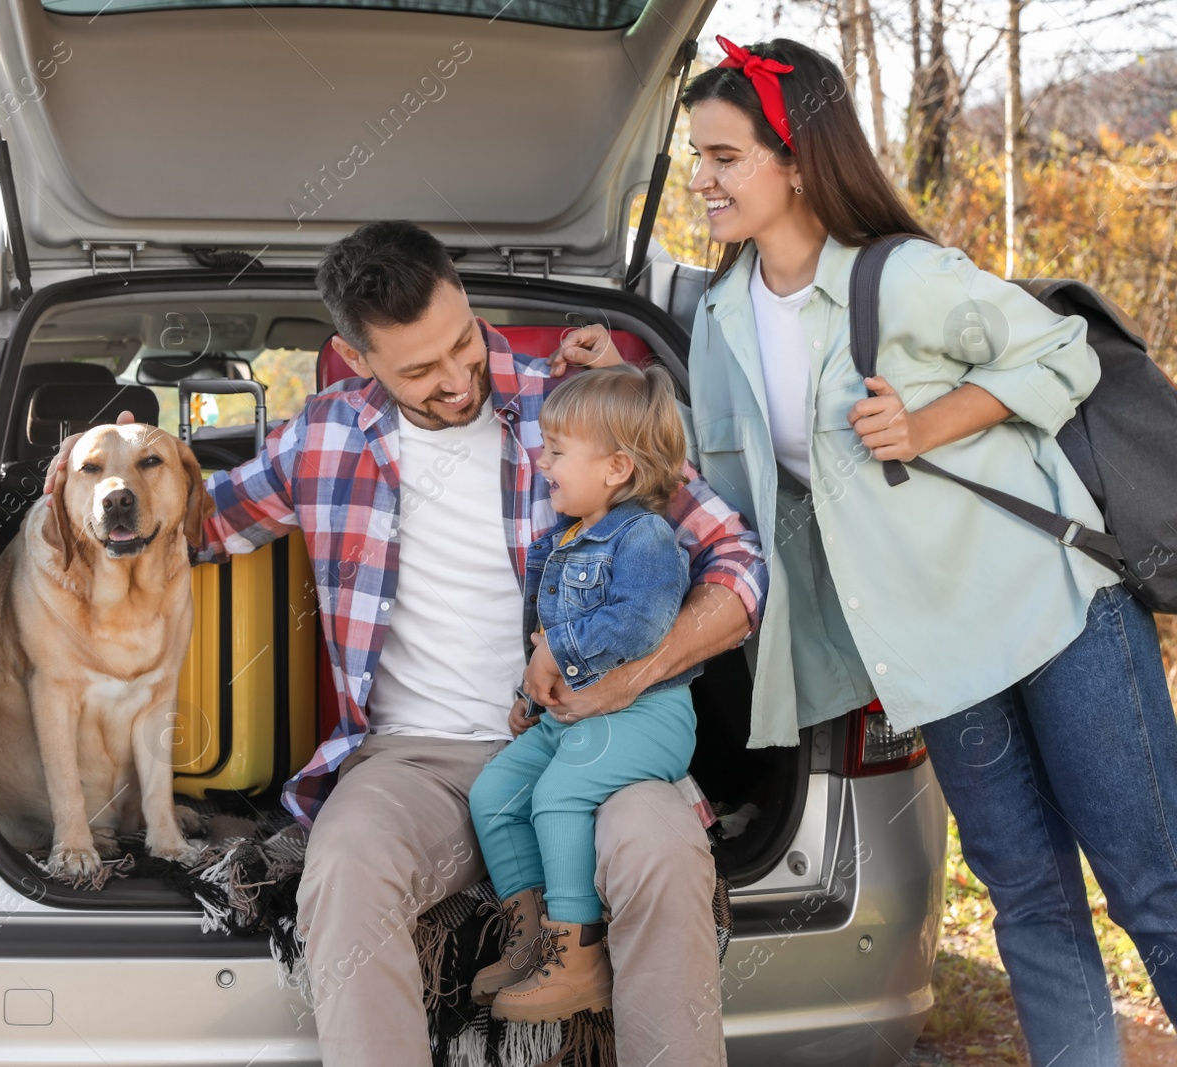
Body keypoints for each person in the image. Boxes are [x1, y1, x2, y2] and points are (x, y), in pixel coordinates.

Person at [46, 219, 767, 1066]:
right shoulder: (323, 437)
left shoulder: (573, 407)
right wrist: (97, 475)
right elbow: (188, 528)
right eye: (421, 370)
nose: (459, 380)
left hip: (594, 741)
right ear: (359, 361)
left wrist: (630, 677)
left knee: (662, 854)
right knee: (345, 871)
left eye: (464, 343)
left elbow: (737, 561)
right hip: (411, 761)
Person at [639, 33, 1175, 1067]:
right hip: (927, 660)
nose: (700, 180)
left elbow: (1061, 351)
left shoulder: (904, 276)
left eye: (722, 157)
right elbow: (728, 465)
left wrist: (931, 423)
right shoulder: (718, 318)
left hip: (1050, 609)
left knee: (1150, 879)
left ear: (795, 161)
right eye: (695, 157)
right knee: (1025, 894)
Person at [468, 364, 703, 1025]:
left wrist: (558, 649)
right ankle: (535, 937)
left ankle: (579, 955)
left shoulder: (645, 536)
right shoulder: (562, 540)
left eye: (559, 452)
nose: (544, 464)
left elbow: (641, 622)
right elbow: (541, 637)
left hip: (646, 714)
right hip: (571, 714)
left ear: (618, 468)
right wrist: (530, 691)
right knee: (495, 793)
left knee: (557, 793)